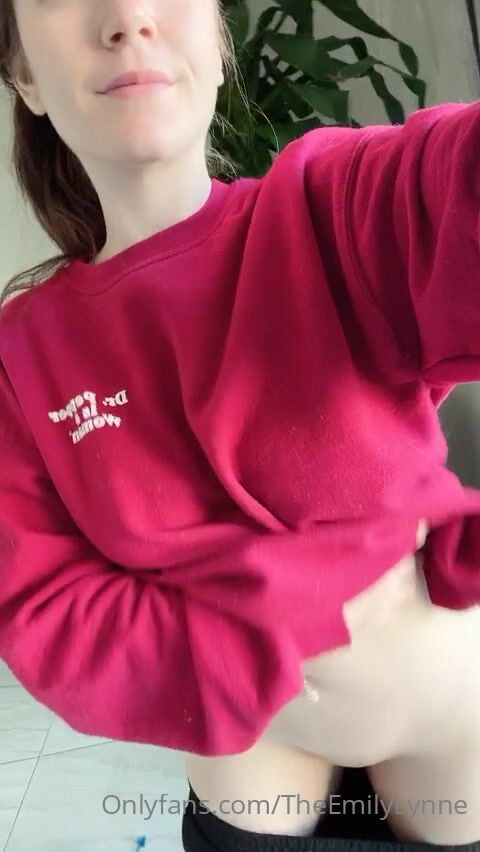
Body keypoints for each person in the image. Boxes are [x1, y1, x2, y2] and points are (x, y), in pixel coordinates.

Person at [0, 1, 479, 850]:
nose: (127, 17)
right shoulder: (21, 355)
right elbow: (42, 605)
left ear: (218, 47)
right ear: (24, 76)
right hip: (252, 761)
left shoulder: (329, 207)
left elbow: (450, 188)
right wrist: (268, 624)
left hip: (450, 735)